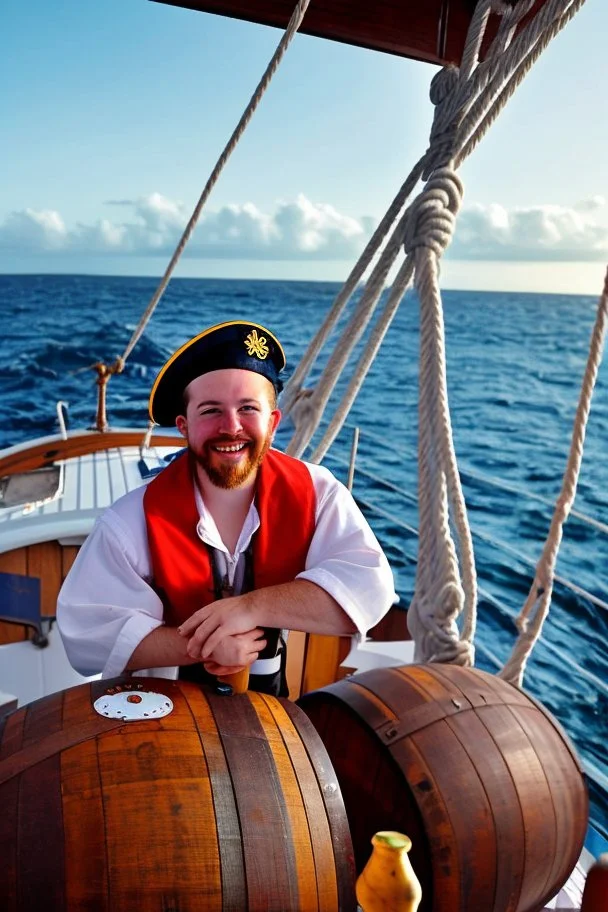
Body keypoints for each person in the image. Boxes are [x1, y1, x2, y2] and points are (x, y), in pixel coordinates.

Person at [57, 320, 396, 696]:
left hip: (273, 702)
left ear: (272, 423)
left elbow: (371, 589)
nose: (231, 427)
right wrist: (199, 645)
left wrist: (250, 608)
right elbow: (84, 634)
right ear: (184, 427)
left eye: (248, 408)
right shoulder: (132, 519)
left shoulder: (318, 494)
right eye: (210, 411)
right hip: (158, 705)